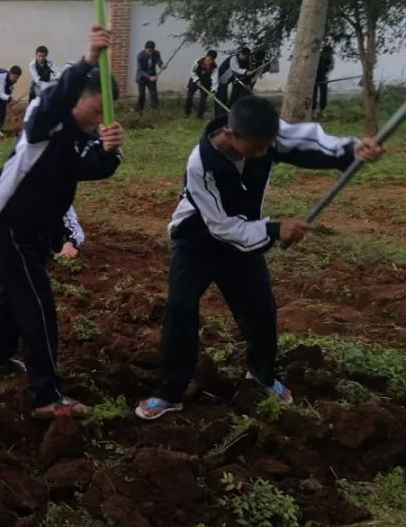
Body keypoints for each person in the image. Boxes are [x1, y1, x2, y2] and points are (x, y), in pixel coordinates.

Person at [135, 96, 385, 421]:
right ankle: (170, 392)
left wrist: (353, 150)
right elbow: (220, 225)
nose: (264, 153)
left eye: (268, 146)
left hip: (246, 234)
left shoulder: (265, 137)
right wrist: (275, 230)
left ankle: (261, 375)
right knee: (180, 308)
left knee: (260, 308)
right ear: (230, 135)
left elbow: (308, 141)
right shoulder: (201, 163)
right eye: (256, 148)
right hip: (197, 237)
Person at [0, 26, 124, 419]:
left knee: (17, 294)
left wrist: (110, 153)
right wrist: (87, 61)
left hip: (38, 225)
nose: (97, 121)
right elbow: (53, 100)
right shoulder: (45, 120)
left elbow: (89, 168)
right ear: (76, 100)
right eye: (94, 111)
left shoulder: (83, 134)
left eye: (103, 116)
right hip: (9, 220)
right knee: (37, 304)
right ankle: (46, 396)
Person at [184, 50, 219, 119]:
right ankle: (187, 113)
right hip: (195, 79)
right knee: (189, 96)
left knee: (203, 99)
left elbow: (215, 80)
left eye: (211, 60)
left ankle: (199, 117)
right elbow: (192, 71)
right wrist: (197, 80)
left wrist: (213, 91)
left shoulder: (214, 67)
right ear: (206, 57)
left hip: (206, 83)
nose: (209, 61)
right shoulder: (198, 62)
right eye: (208, 59)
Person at [135, 40, 163, 113]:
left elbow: (158, 61)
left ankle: (155, 110)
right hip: (142, 77)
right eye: (149, 51)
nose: (150, 52)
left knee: (153, 94)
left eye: (152, 50)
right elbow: (140, 70)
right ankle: (139, 110)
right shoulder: (140, 56)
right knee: (142, 95)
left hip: (152, 76)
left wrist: (161, 65)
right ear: (145, 48)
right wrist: (149, 77)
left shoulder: (156, 53)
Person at [313, 44, 334, 118]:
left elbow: (330, 68)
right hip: (314, 78)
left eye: (330, 53)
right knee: (313, 94)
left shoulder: (330, 59)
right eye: (327, 53)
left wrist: (325, 76)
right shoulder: (317, 58)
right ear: (323, 52)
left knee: (324, 93)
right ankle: (312, 111)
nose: (328, 55)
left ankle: (321, 111)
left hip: (323, 78)